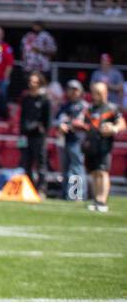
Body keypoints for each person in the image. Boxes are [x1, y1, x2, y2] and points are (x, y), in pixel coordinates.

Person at [81, 81, 123, 214]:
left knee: (102, 172)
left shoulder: (111, 108)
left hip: (104, 145)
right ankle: (96, 200)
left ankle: (102, 201)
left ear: (105, 93)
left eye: (98, 92)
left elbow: (122, 123)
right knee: (94, 173)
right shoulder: (90, 109)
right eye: (94, 92)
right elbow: (86, 125)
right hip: (91, 145)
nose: (95, 95)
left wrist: (114, 128)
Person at [18, 71, 52, 190]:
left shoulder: (45, 99)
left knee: (40, 164)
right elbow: (22, 118)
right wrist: (21, 134)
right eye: (30, 81)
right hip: (26, 135)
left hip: (38, 136)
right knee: (26, 163)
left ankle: (41, 189)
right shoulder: (26, 99)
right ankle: (29, 188)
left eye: (35, 82)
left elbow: (48, 121)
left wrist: (43, 132)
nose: (32, 84)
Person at [55, 80, 88, 201]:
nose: (73, 92)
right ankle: (65, 194)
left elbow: (88, 124)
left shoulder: (84, 106)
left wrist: (75, 125)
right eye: (70, 89)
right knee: (65, 168)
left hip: (78, 141)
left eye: (75, 89)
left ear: (80, 91)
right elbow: (56, 120)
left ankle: (76, 195)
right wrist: (60, 125)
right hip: (64, 140)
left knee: (76, 168)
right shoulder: (64, 106)